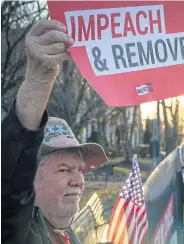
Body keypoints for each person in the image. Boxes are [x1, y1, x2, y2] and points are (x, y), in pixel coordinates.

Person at [1, 19, 108, 244]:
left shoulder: (64, 233)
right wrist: (38, 79)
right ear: (29, 176)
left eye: (79, 169)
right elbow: (13, 169)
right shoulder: (14, 231)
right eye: (64, 169)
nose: (79, 180)